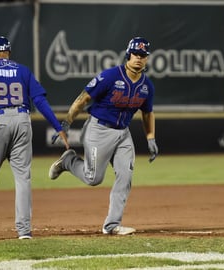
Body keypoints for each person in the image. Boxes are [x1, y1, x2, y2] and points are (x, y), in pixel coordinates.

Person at [0, 36, 69, 240]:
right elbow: (39, 101)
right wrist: (57, 126)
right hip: (23, 121)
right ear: (8, 52)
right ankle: (24, 231)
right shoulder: (23, 70)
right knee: (23, 178)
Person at [49, 36, 158, 235]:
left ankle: (112, 225)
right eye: (136, 54)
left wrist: (150, 137)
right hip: (97, 131)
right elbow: (83, 99)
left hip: (123, 134)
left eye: (143, 55)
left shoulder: (146, 86)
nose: (139, 59)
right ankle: (69, 161)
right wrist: (66, 122)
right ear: (128, 54)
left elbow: (147, 112)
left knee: (125, 175)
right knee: (93, 178)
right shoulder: (110, 76)